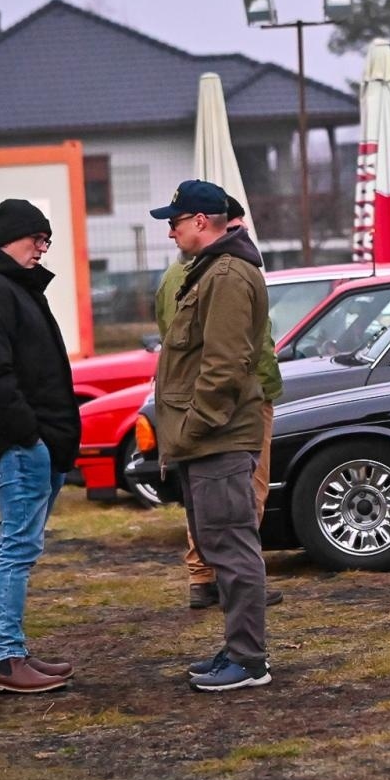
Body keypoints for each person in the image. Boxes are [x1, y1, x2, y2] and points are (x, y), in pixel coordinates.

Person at [149, 179, 272, 692]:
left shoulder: (225, 275)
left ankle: (249, 660)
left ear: (201, 221)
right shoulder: (211, 272)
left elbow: (224, 365)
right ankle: (238, 647)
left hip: (216, 437)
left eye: (175, 222)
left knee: (232, 547)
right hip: (206, 439)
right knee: (220, 546)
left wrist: (196, 424)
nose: (171, 232)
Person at [0, 199, 81, 694]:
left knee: (23, 548)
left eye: (47, 239)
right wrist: (27, 434)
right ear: (11, 236)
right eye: (37, 239)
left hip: (35, 443)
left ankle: (15, 652)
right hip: (20, 444)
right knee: (15, 548)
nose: (43, 248)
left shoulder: (8, 287)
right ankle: (6, 659)